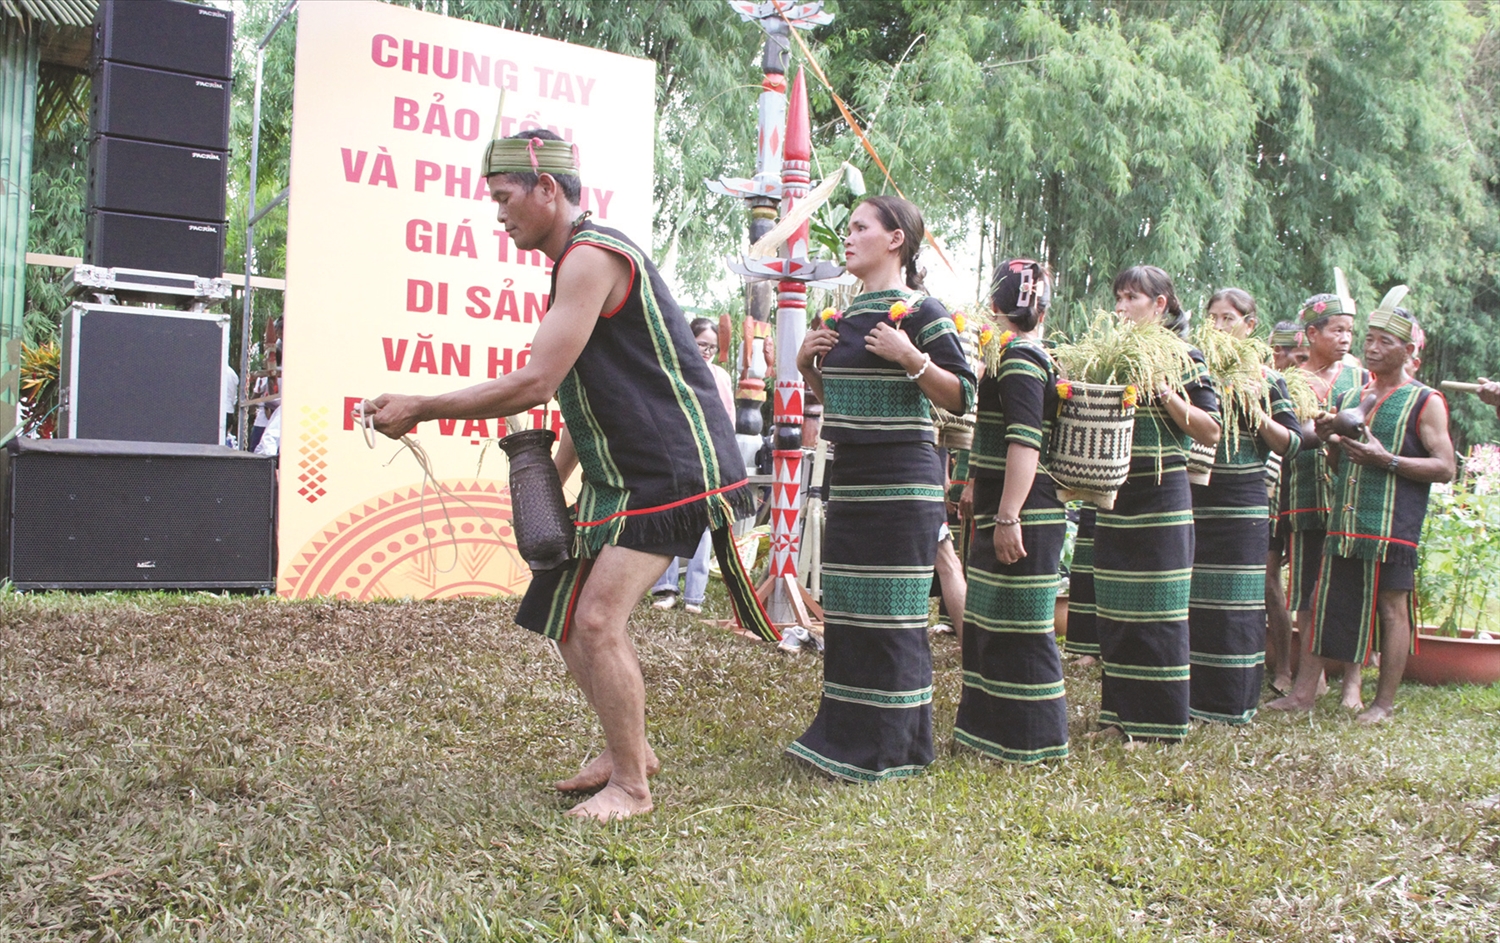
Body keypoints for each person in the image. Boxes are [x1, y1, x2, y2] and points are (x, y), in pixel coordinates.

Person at [362, 127, 773, 820]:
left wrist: (424, 406)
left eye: (504, 198)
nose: (498, 215)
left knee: (595, 621)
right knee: (562, 613)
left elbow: (537, 382)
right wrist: (554, 481)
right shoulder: (577, 262)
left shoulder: (591, 257)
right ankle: (627, 753)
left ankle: (634, 790)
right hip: (627, 472)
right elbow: (588, 388)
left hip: (672, 470)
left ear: (548, 190)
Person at [791, 195, 975, 781]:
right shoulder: (840, 318)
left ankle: (896, 747)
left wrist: (912, 358)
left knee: (894, 618)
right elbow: (841, 405)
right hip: (851, 480)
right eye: (847, 229)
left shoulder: (921, 311)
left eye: (859, 228)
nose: (846, 238)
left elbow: (963, 395)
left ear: (896, 239)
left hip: (904, 484)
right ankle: (845, 739)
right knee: (850, 617)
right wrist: (808, 371)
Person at [1271, 288, 1455, 722]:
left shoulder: (1426, 401)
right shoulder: (1354, 398)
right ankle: (1302, 695)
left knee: (1391, 607)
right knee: (1319, 599)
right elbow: (1337, 462)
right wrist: (1333, 440)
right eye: (1368, 339)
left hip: (1394, 521)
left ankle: (1383, 704)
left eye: (1383, 341)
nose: (1370, 348)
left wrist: (1385, 459)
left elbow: (1444, 467)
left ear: (1408, 350)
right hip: (1345, 517)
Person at [1093, 266, 1220, 743]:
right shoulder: (1112, 358)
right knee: (1117, 610)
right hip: (1114, 494)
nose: (1121, 307)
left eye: (1132, 298)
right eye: (1119, 297)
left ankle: (1161, 722)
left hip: (1164, 499)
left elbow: (1211, 428)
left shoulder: (1185, 358)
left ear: (1161, 304)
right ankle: (1118, 715)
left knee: (1159, 611)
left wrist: (1166, 392)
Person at [952, 259, 1068, 763]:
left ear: (994, 305)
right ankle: (993, 734)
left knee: (1022, 628)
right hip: (1013, 501)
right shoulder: (1014, 354)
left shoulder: (1020, 359)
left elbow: (1025, 441)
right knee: (993, 621)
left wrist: (1008, 516)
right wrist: (977, 482)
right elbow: (1000, 435)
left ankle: (1031, 741)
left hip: (1026, 510)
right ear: (1041, 309)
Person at [1188, 289, 1304, 725]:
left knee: (1236, 604)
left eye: (1229, 318)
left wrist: (1255, 411)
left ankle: (1232, 701)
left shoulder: (1266, 379)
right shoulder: (1197, 373)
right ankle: (1192, 698)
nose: (1220, 326)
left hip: (1242, 506)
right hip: (1198, 499)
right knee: (1195, 601)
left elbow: (1292, 443)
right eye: (1213, 318)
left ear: (1249, 325)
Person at [1271, 291, 1368, 703]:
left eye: (1350, 330)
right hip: (1306, 497)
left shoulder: (1360, 378)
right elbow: (1288, 437)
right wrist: (1321, 432)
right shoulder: (1290, 381)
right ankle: (1308, 683)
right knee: (1308, 592)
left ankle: (1353, 682)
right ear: (1311, 333)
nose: (1346, 338)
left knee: (1354, 588)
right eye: (1336, 329)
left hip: (1351, 498)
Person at [649, 317, 737, 614]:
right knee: (668, 520)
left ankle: (694, 597)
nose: (707, 351)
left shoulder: (721, 377)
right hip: (673, 456)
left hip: (709, 460)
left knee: (702, 526)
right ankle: (665, 588)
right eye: (702, 344)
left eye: (712, 346)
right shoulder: (670, 370)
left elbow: (728, 421)